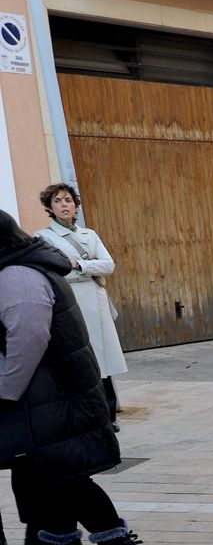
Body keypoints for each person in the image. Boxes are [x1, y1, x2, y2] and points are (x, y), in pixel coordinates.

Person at [0, 209, 140, 545]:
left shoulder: (17, 277)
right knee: (44, 477)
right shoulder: (19, 269)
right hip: (44, 396)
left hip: (52, 396)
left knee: (69, 478)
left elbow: (28, 341)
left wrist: (5, 390)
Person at [36, 183, 127, 427]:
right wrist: (83, 268)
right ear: (50, 208)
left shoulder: (90, 234)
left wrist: (79, 266)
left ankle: (109, 416)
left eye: (67, 200)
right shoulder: (43, 237)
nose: (64, 205)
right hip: (71, 302)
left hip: (97, 300)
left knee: (103, 360)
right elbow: (54, 269)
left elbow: (108, 265)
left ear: (75, 205)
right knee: (82, 359)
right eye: (57, 201)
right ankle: (89, 416)